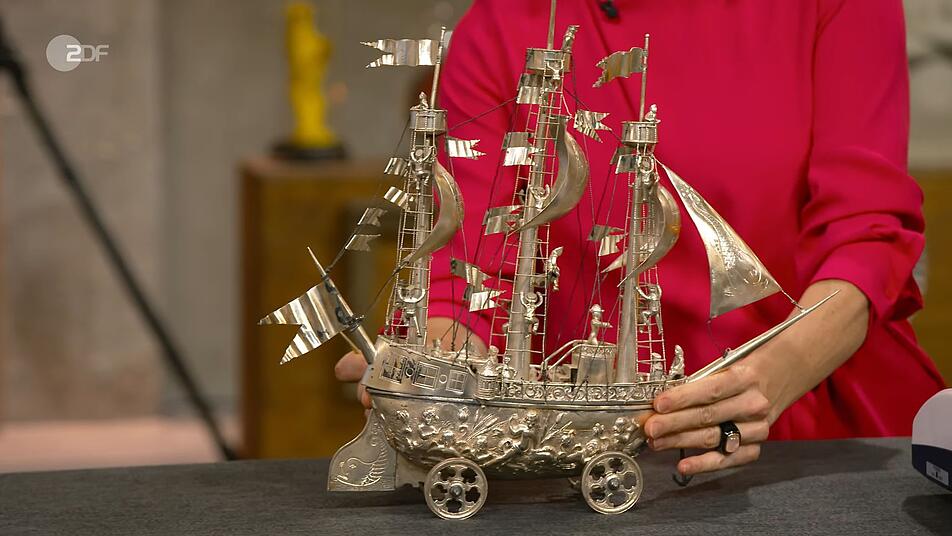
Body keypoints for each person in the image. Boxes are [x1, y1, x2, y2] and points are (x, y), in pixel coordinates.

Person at [336, 0, 946, 477]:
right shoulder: (502, 24)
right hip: (590, 450)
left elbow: (866, 237)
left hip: (823, 431)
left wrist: (774, 375)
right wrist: (429, 365)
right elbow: (470, 279)